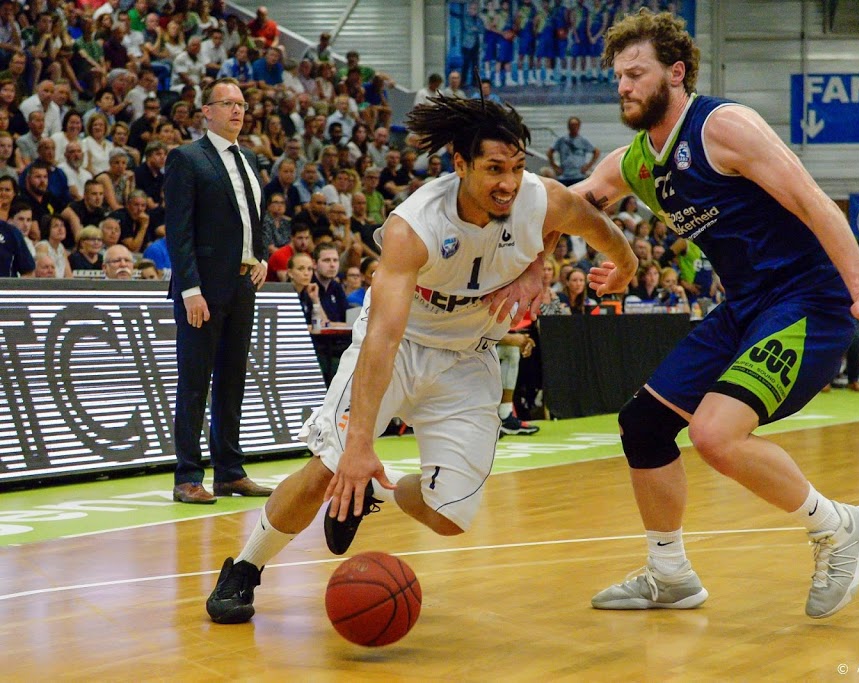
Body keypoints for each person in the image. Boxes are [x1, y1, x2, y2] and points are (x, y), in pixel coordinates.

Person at [204, 94, 638, 624]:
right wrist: (360, 447)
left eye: (517, 167)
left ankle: (369, 496)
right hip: (403, 344)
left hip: (468, 357)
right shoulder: (414, 226)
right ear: (459, 164)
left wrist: (623, 262)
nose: (508, 182)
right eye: (493, 169)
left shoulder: (539, 198)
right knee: (330, 467)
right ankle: (245, 568)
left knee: (450, 517)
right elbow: (381, 341)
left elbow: (596, 226)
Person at [571, 10, 859, 619]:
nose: (623, 86)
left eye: (636, 73)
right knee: (644, 425)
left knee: (715, 435)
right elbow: (567, 205)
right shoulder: (634, 163)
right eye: (618, 76)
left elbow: (813, 202)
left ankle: (836, 526)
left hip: (809, 300)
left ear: (675, 73)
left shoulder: (723, 127)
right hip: (745, 307)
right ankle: (669, 574)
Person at [165, 77, 274, 505]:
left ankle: (229, 471)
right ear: (206, 111)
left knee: (232, 379)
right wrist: (189, 287)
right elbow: (179, 229)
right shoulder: (186, 158)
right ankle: (187, 475)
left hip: (242, 282)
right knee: (195, 380)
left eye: (242, 104)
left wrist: (261, 255)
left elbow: (253, 215)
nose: (237, 111)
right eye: (227, 104)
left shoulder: (248, 157)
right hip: (203, 289)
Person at [547, 116, 599, 185]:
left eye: (576, 125)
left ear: (579, 127)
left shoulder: (583, 140)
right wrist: (555, 166)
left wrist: (588, 166)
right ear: (568, 127)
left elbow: (596, 152)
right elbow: (550, 152)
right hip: (564, 175)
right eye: (572, 125)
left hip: (579, 175)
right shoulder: (562, 140)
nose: (574, 127)